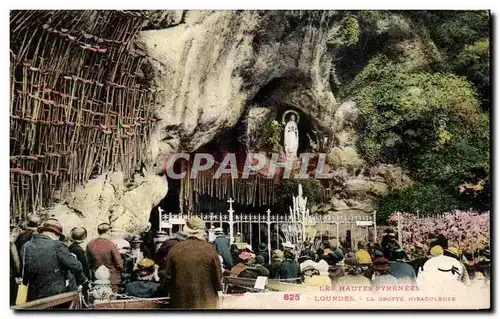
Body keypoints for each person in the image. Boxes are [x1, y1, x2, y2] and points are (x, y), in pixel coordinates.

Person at [21, 219, 89, 301]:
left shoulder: (26, 246)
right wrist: (83, 280)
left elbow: (23, 273)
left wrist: (21, 300)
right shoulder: (57, 245)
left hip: (33, 295)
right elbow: (76, 266)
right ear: (55, 234)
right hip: (55, 296)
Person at [163, 216, 222, 309]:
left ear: (185, 230)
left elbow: (168, 278)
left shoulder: (175, 249)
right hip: (206, 301)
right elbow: (218, 277)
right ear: (202, 231)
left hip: (181, 301)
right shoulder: (210, 249)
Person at [87, 223, 124, 291]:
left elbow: (88, 263)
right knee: (111, 299)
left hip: (96, 278)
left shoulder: (90, 244)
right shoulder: (111, 244)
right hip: (111, 278)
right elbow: (119, 265)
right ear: (108, 231)